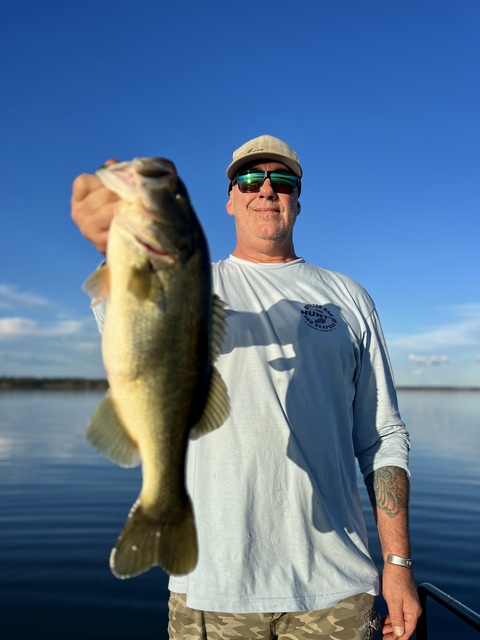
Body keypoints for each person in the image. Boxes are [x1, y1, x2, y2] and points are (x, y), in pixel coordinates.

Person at [71, 135, 422, 640]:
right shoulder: (192, 281)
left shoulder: (349, 298)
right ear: (231, 199)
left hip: (338, 590)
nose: (266, 190)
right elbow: (125, 320)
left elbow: (382, 436)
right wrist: (110, 245)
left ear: (298, 199)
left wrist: (398, 563)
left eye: (282, 181)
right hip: (212, 589)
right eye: (250, 179)